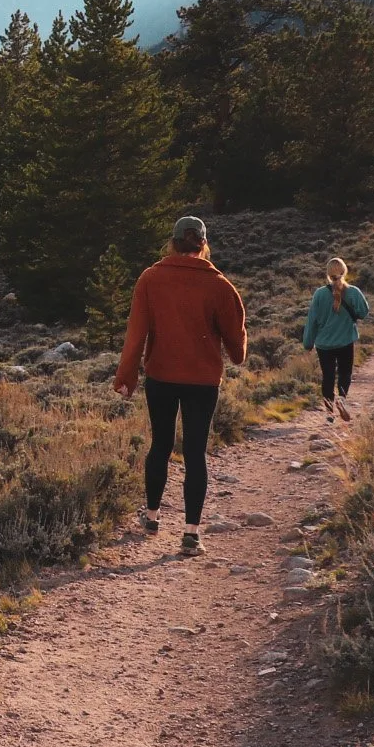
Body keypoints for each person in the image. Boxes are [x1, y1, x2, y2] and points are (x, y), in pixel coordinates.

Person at [114, 215, 247, 555]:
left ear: (172, 242)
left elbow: (136, 332)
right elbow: (236, 344)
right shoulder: (220, 285)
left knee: (160, 445)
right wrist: (236, 350)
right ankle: (191, 533)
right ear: (203, 243)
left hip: (161, 376)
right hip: (203, 381)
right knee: (195, 453)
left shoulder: (151, 278)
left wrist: (126, 373)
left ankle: (153, 516)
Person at [303, 257, 370, 424]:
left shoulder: (319, 294)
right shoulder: (354, 292)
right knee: (345, 373)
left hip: (324, 344)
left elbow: (312, 321)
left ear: (328, 273)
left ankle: (329, 413)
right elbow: (363, 313)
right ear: (344, 271)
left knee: (328, 376)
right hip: (345, 341)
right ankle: (342, 398)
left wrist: (308, 343)